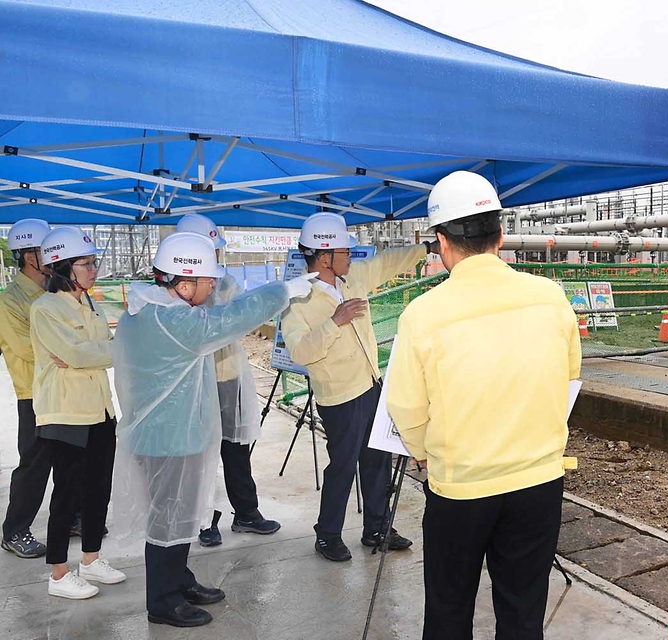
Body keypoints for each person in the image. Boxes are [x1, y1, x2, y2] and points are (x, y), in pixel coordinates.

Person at [387, 171, 582, 640]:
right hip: (538, 481)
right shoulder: (551, 298)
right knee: (522, 611)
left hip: (461, 487)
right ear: (499, 233)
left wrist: (423, 452)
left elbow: (406, 407)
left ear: (441, 241)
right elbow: (570, 379)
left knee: (450, 610)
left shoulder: (423, 314)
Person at [111, 232, 315, 627]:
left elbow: (222, 314)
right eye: (207, 281)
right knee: (168, 519)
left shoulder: (150, 309)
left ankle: (178, 578)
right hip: (168, 437)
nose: (212, 287)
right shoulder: (172, 320)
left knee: (180, 514)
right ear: (183, 284)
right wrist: (282, 291)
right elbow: (229, 318)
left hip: (168, 432)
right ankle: (163, 601)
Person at [281, 212, 436, 561]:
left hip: (369, 385)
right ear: (324, 257)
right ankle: (328, 534)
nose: (351, 257)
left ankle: (377, 528)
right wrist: (334, 322)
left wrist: (426, 248)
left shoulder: (352, 280)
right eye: (344, 252)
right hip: (338, 397)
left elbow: (386, 263)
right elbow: (302, 351)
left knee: (377, 460)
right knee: (343, 465)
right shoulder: (297, 301)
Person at [31, 226, 125, 600]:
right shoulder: (45, 309)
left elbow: (97, 349)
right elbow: (79, 354)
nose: (93, 270)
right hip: (66, 412)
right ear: (61, 267)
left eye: (92, 262)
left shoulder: (89, 303)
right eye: (85, 264)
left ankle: (90, 560)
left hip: (99, 408)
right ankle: (58, 574)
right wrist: (97, 352)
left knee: (98, 488)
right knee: (67, 494)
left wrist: (95, 352)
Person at [175, 214, 280, 545]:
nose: (217, 258)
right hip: (195, 385)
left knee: (236, 450)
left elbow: (238, 317)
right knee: (200, 455)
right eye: (210, 251)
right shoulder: (174, 297)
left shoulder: (226, 283)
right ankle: (204, 521)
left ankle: (246, 512)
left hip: (228, 378)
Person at [0, 218, 53, 559]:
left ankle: (74, 516)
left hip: (64, 391)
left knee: (73, 459)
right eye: (46, 250)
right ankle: (15, 530)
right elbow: (26, 349)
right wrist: (69, 347)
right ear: (30, 255)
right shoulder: (11, 300)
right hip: (33, 393)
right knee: (34, 464)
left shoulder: (54, 289)